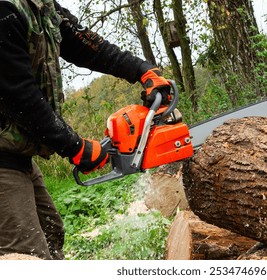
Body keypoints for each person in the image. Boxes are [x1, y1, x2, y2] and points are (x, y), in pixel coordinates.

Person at [0, 0, 170, 259]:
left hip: (16, 154)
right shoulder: (5, 11)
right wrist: (74, 146)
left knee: (51, 232)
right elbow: (18, 95)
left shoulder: (44, 8)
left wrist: (140, 69)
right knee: (26, 254)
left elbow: (87, 46)